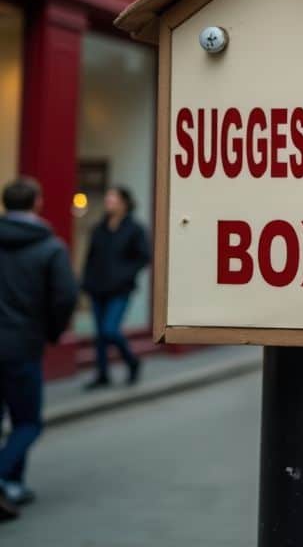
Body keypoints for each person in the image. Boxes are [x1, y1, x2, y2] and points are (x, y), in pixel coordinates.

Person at [0, 178, 78, 518]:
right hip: (22, 345)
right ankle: (6, 479)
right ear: (38, 203)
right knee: (28, 422)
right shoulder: (51, 247)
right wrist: (52, 331)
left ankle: (13, 484)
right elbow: (65, 297)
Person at [80, 186, 150, 389]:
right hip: (97, 287)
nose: (108, 201)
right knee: (100, 334)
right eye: (107, 198)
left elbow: (143, 257)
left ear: (124, 202)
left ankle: (132, 361)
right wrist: (85, 281)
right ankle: (102, 374)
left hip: (120, 288)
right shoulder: (99, 228)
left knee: (110, 329)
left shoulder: (135, 229)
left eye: (113, 198)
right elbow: (90, 257)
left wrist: (125, 275)